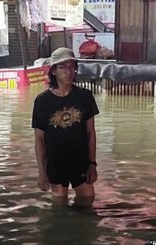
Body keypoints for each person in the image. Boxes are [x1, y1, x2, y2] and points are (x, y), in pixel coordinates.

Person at [31, 47, 99, 207]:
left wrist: (92, 164)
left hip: (80, 161)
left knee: (87, 202)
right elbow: (39, 139)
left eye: (72, 67)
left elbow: (91, 133)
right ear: (53, 71)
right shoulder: (42, 101)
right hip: (55, 163)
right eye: (63, 67)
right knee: (59, 209)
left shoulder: (85, 97)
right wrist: (41, 172)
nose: (69, 71)